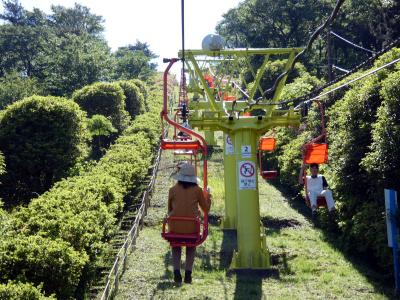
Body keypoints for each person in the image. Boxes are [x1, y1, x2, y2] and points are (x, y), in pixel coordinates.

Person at [167, 162, 211, 284]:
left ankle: (176, 272)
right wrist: (208, 197)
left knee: (176, 246)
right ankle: (188, 273)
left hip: (175, 226)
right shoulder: (198, 190)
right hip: (192, 226)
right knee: (191, 247)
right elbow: (206, 209)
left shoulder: (172, 190)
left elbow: (169, 209)